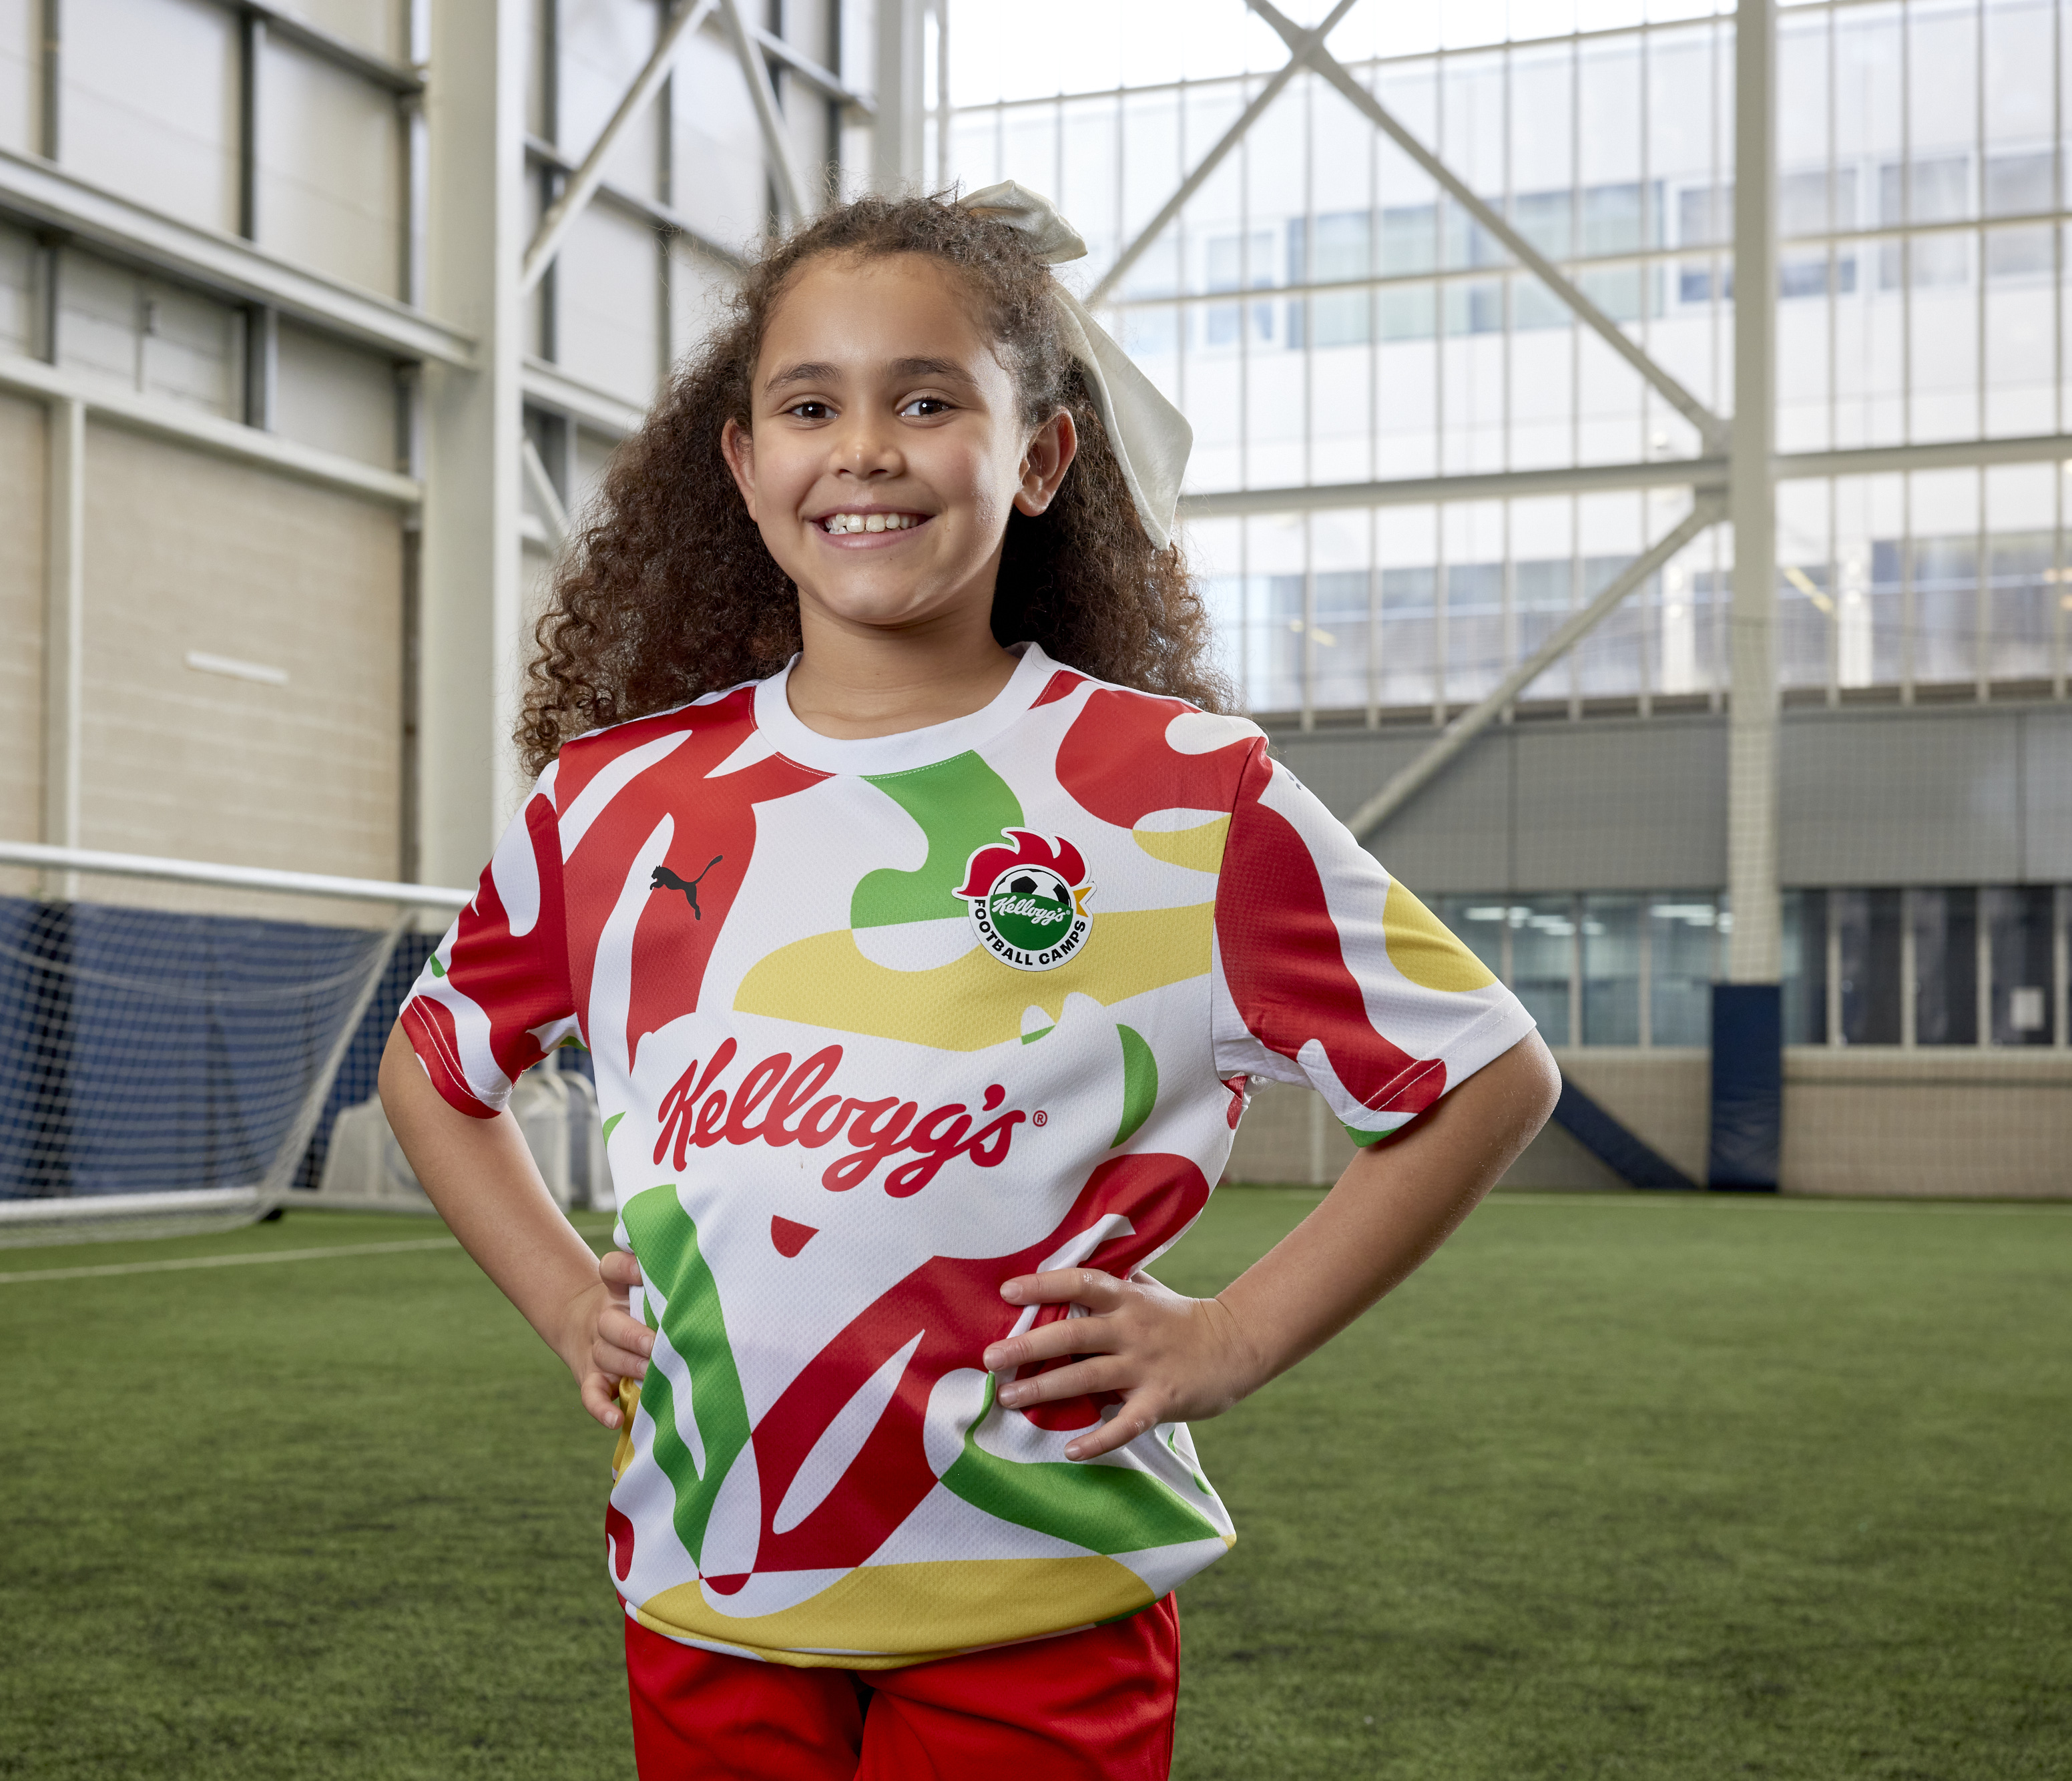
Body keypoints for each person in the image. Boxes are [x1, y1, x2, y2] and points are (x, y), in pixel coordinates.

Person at [377, 184, 1560, 1781]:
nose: (862, 446)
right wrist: (553, 1291)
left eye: (926, 399)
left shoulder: (1180, 794)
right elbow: (436, 1069)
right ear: (742, 464)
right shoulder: (608, 801)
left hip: (1038, 1585)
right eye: (809, 405)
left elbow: (1484, 1070)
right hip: (705, 1578)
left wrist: (1224, 1337)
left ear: (1039, 455)